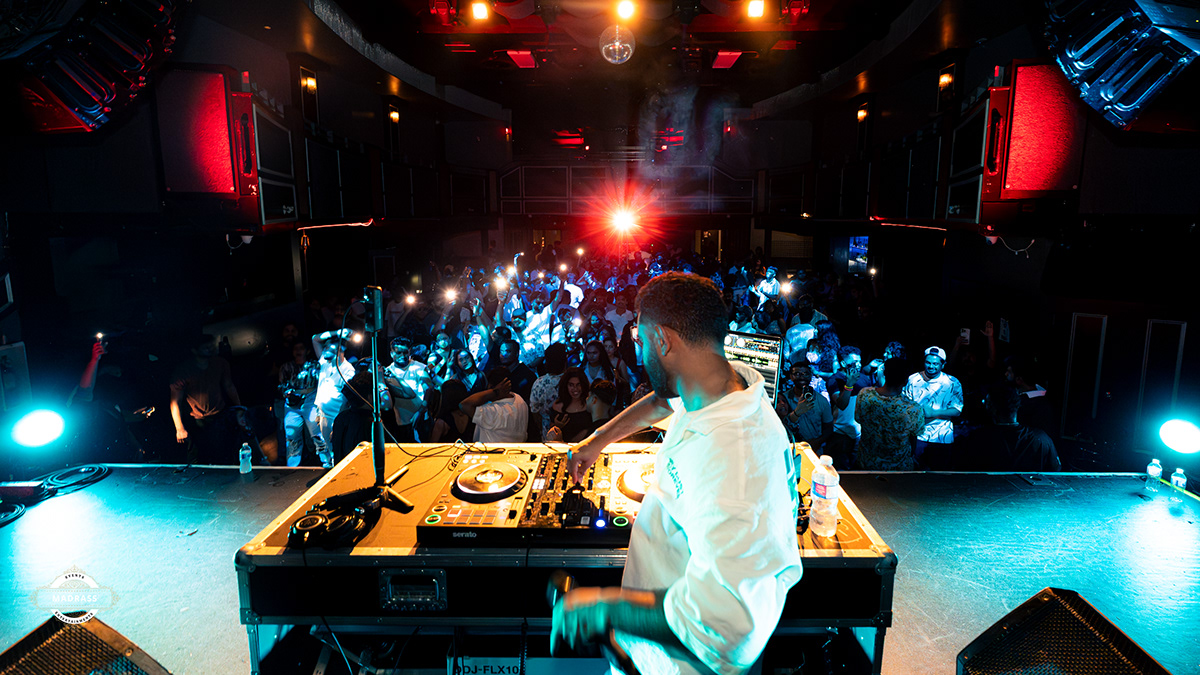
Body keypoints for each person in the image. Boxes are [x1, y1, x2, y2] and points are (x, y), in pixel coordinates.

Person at [555, 272, 801, 675]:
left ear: (663, 340)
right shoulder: (716, 379)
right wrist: (597, 440)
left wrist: (603, 608)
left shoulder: (736, 459)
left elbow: (727, 625)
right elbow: (664, 401)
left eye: (641, 341)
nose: (639, 352)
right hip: (645, 649)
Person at [170, 334, 242, 464]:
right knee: (200, 457)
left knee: (224, 454)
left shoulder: (220, 363)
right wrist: (179, 428)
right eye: (206, 348)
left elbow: (229, 385)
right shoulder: (183, 370)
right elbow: (175, 402)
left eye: (212, 346)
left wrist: (239, 408)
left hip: (219, 416)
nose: (211, 349)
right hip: (196, 420)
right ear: (195, 350)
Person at [959, 384, 1061, 472]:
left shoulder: (978, 439)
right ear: (1017, 406)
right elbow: (1055, 472)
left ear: (991, 408)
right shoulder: (1041, 438)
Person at [855, 358, 926, 471]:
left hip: (867, 464)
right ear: (906, 381)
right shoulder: (913, 408)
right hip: (899, 468)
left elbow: (858, 418)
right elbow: (914, 439)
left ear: (884, 373)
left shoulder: (865, 395)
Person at [902, 346, 963, 470]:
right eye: (928, 362)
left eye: (935, 364)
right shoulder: (912, 379)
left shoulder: (952, 382)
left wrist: (934, 413)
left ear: (943, 365)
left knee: (938, 475)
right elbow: (904, 404)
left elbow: (957, 410)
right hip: (917, 436)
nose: (931, 366)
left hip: (942, 437)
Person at [312, 328, 356, 467]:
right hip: (324, 414)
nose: (324, 351)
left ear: (339, 350)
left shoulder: (348, 370)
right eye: (324, 348)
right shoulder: (325, 363)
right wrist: (337, 332)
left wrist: (339, 421)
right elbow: (315, 338)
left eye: (327, 348)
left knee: (339, 445)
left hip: (337, 416)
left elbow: (346, 398)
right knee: (328, 445)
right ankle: (331, 465)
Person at [278, 341, 321, 466]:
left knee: (317, 435)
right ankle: (293, 467)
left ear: (307, 351)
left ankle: (326, 463)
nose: (298, 351)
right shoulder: (286, 367)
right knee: (292, 437)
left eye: (301, 348)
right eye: (296, 348)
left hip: (311, 400)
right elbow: (281, 386)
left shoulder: (314, 365)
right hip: (292, 404)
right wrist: (287, 393)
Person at [459, 367, 529, 443]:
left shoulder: (493, 411)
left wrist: (495, 391)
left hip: (493, 450)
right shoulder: (519, 400)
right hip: (518, 448)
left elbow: (464, 405)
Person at [384, 337, 434, 443]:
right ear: (392, 354)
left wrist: (421, 410)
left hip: (421, 419)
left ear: (409, 351)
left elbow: (429, 387)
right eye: (399, 353)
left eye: (405, 352)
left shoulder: (418, 367)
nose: (402, 356)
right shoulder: (388, 372)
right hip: (401, 423)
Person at [776, 362, 833, 450]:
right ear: (791, 376)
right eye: (797, 374)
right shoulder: (783, 399)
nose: (801, 377)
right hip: (789, 448)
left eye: (805, 374)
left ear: (810, 376)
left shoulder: (822, 401)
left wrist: (817, 442)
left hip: (814, 449)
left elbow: (829, 427)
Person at [529, 343, 568, 441]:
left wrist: (542, 427)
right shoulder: (572, 380)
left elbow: (534, 411)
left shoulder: (539, 383)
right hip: (570, 428)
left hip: (547, 431)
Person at [547, 367, 592, 444]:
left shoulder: (590, 404)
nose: (575, 389)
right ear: (566, 386)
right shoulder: (558, 406)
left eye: (578, 384)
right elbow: (552, 433)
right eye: (571, 385)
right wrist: (557, 426)